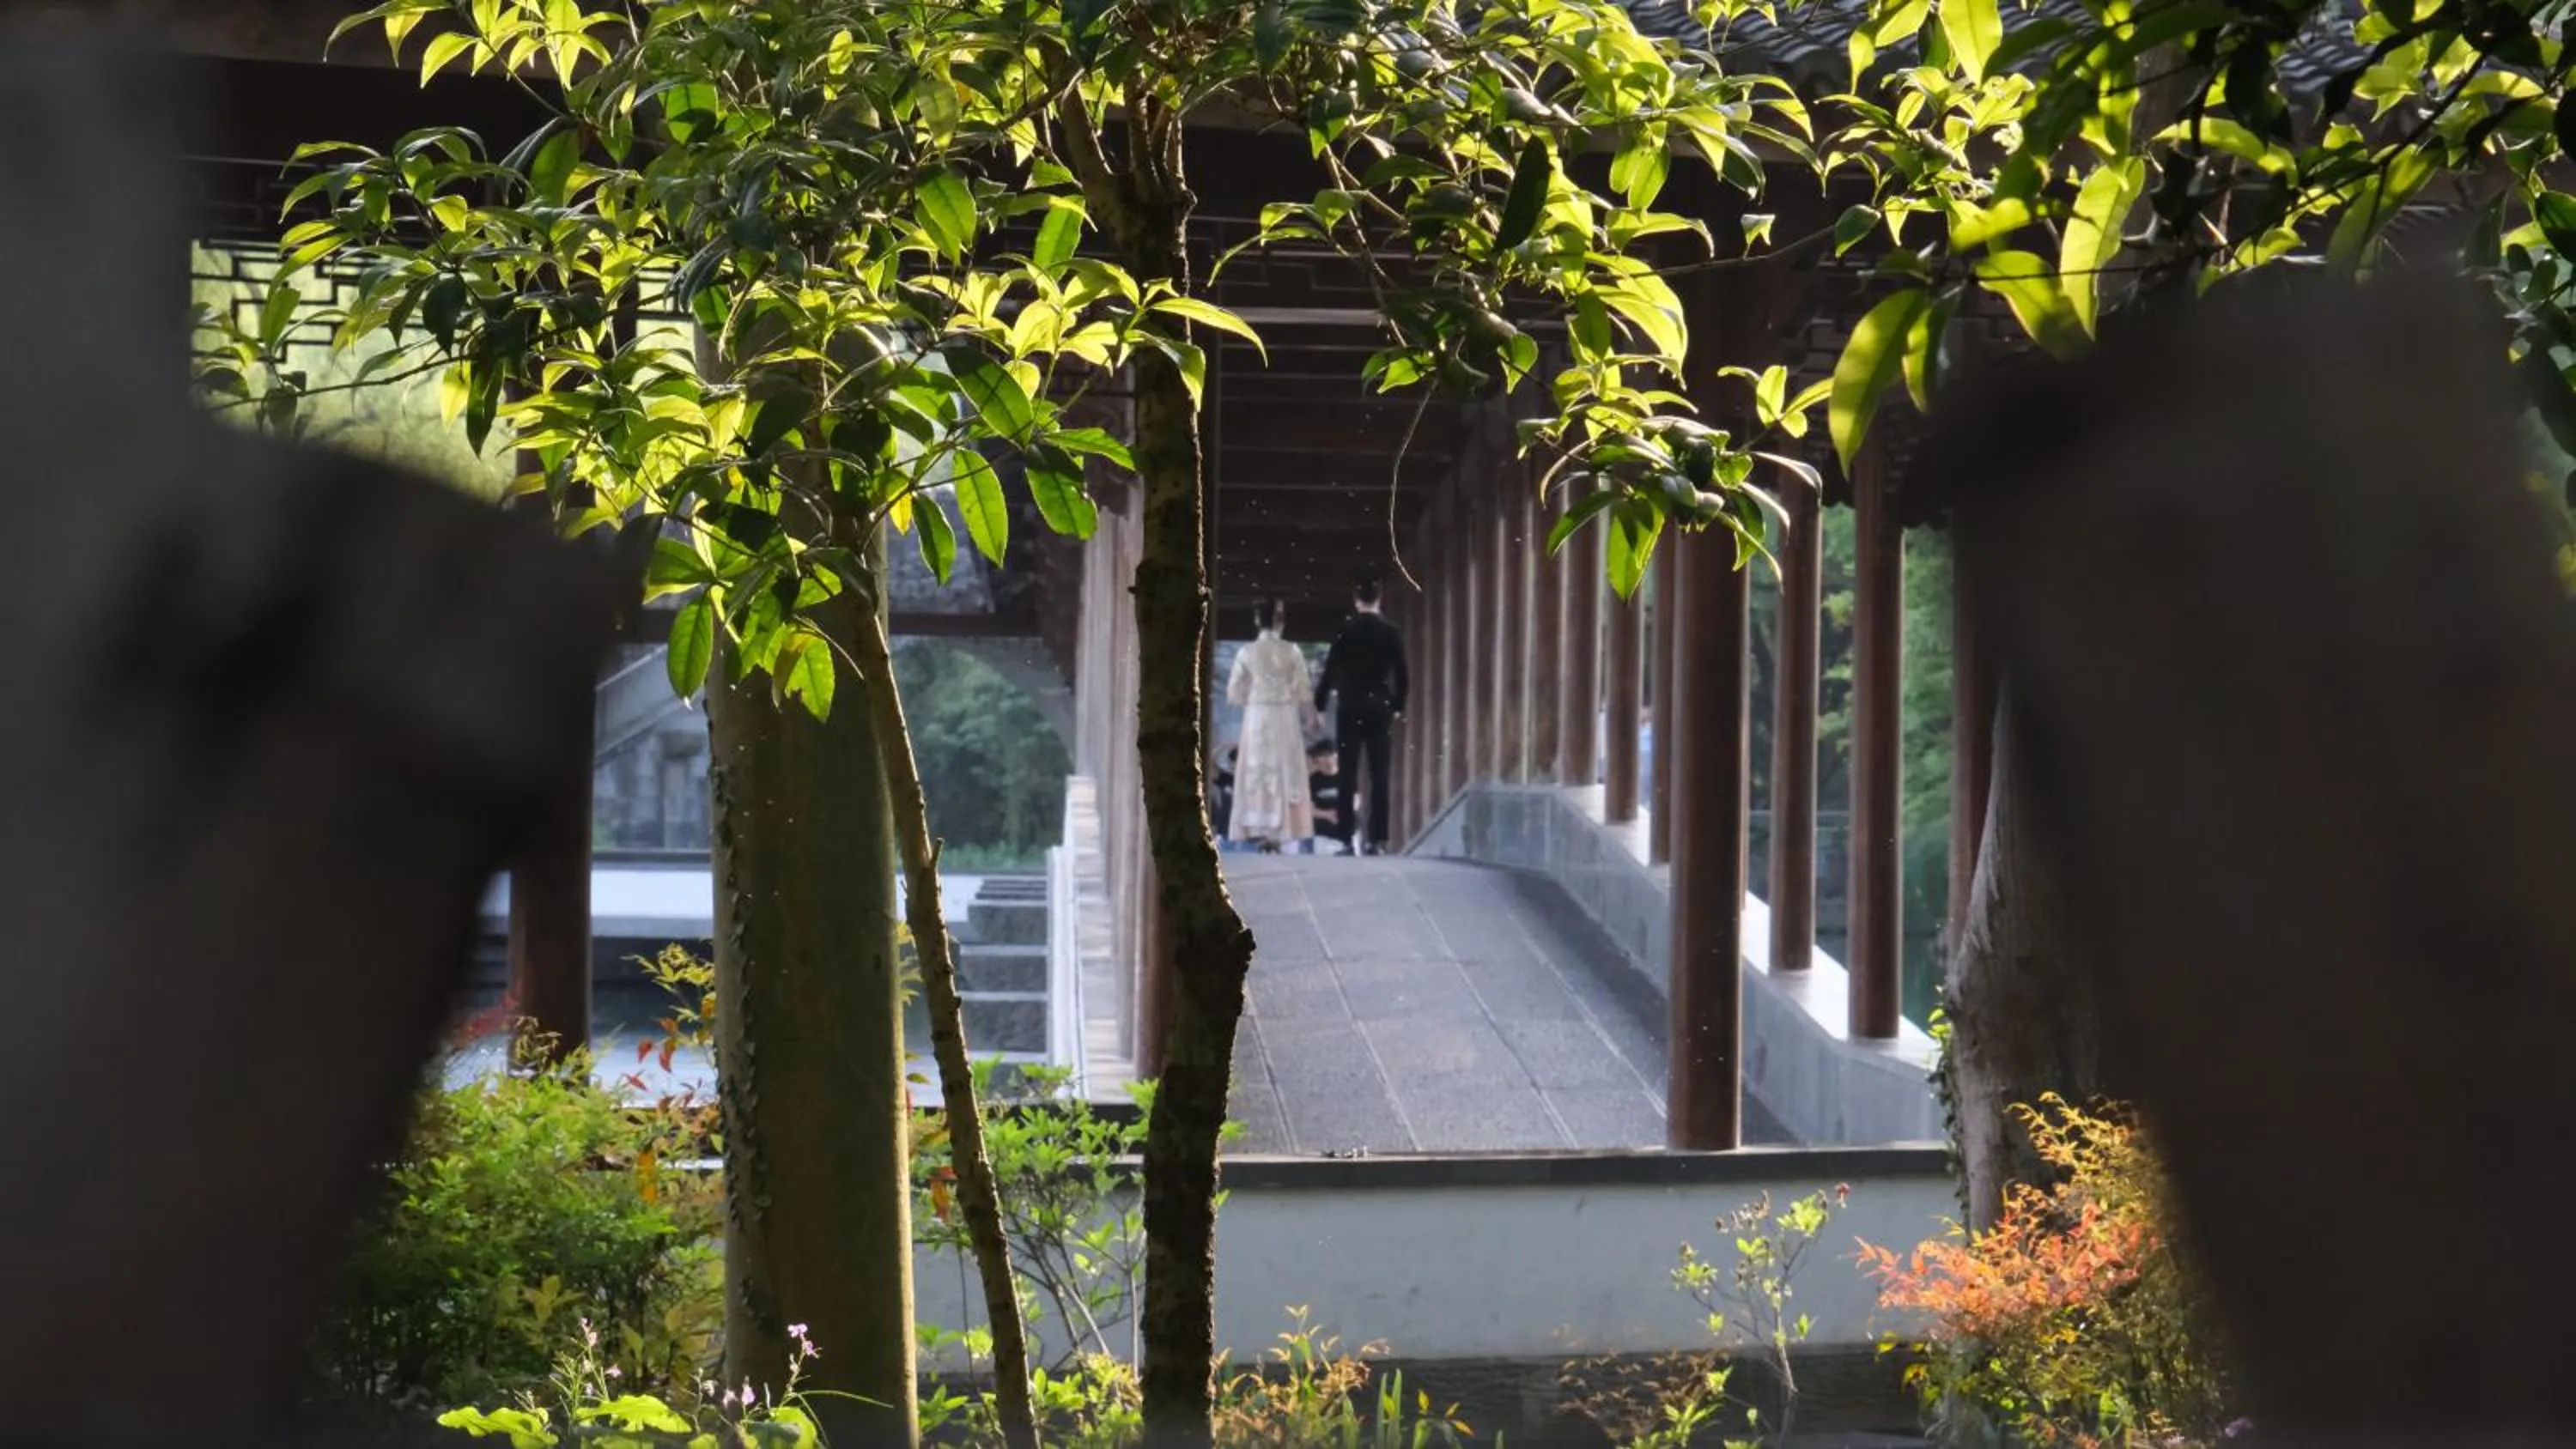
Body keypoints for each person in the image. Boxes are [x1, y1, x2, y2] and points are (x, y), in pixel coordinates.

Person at [1315, 577, 1408, 856]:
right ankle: (1376, 840)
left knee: (1347, 774)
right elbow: (1402, 673)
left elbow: (1331, 669)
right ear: (1379, 598)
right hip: (1379, 706)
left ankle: (1345, 838)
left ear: (1357, 600)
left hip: (1350, 706)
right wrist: (1398, 704)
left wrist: (1320, 703)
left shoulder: (1346, 629)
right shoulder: (1391, 631)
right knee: (1379, 774)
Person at [1224, 600, 1317, 852]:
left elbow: (1233, 691)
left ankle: (1256, 826)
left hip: (1257, 715)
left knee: (1257, 768)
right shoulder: (1292, 650)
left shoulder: (1246, 652)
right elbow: (1303, 689)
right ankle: (1283, 829)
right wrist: (1309, 715)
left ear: (1257, 620)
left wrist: (1253, 697)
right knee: (1285, 767)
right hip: (1284, 714)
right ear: (1279, 621)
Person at [1307, 740, 1352, 856]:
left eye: (1331, 755)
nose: (1328, 760)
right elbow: (1308, 809)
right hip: (1322, 835)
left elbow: (1356, 801)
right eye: (1323, 756)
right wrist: (1327, 814)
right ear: (1316, 761)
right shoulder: (1312, 781)